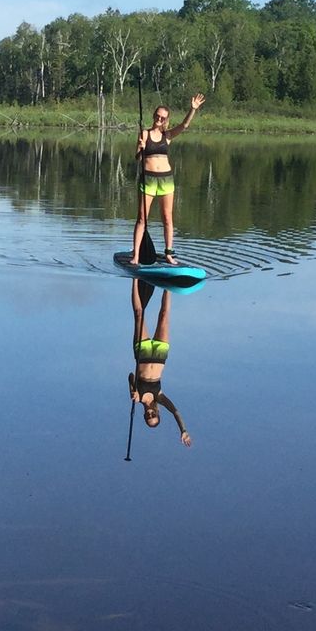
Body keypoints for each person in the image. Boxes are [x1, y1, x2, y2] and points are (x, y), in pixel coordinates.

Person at [131, 93, 204, 265]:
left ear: (166, 120)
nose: (159, 119)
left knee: (167, 218)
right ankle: (135, 255)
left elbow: (184, 125)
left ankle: (169, 254)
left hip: (166, 180)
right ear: (153, 116)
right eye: (157, 116)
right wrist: (140, 149)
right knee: (142, 218)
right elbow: (137, 159)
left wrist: (192, 109)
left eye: (163, 118)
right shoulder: (144, 133)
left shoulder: (168, 136)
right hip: (148, 179)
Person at [129, 278, 191, 446]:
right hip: (160, 355)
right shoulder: (160, 397)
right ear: (157, 414)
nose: (150, 415)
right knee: (164, 315)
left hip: (142, 353)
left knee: (139, 314)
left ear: (144, 415)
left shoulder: (137, 398)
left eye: (148, 417)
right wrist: (183, 430)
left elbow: (130, 375)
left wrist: (132, 389)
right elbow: (175, 412)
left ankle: (135, 280)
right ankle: (168, 284)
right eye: (154, 416)